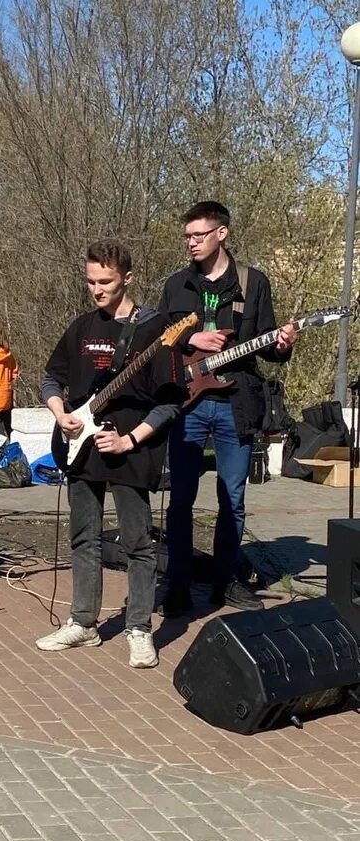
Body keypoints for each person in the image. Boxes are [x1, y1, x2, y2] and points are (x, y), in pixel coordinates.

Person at [36, 241, 184, 669]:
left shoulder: (155, 330)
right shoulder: (81, 328)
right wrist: (60, 412)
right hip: (80, 448)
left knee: (138, 544)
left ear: (128, 279)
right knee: (84, 537)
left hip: (130, 452)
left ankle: (139, 628)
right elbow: (51, 378)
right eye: (90, 281)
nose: (96, 290)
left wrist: (129, 440)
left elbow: (170, 403)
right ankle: (83, 622)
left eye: (106, 282)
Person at [158, 202, 297, 616]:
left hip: (236, 404)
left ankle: (226, 581)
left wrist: (282, 344)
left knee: (232, 498)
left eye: (198, 235)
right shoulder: (176, 285)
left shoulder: (254, 283)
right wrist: (191, 341)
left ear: (222, 233)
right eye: (187, 236)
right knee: (180, 498)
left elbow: (269, 348)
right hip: (188, 404)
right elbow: (159, 344)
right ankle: (178, 583)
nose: (191, 243)